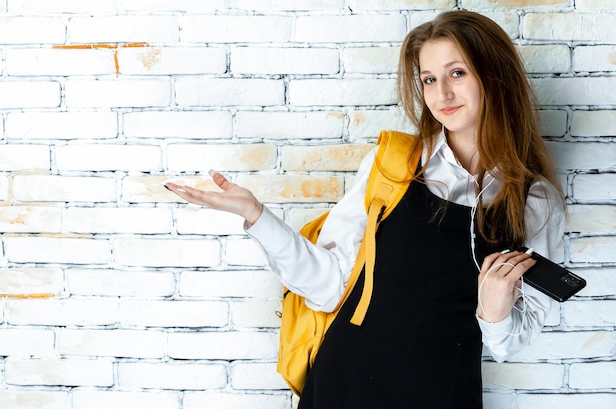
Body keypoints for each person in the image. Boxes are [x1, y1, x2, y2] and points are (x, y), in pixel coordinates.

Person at [165, 10, 566, 409]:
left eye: (457, 73)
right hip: (348, 381)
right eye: (429, 79)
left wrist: (495, 311)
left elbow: (510, 345)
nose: (441, 93)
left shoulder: (535, 199)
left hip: (445, 390)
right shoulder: (394, 163)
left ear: (494, 74)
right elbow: (330, 285)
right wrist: (256, 215)